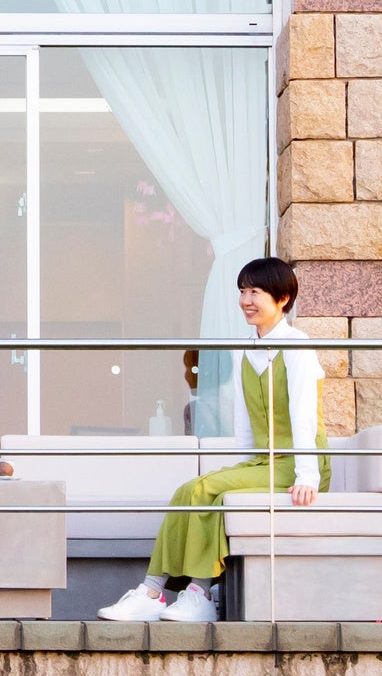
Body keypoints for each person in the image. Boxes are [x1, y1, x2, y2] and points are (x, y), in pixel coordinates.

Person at [101, 257, 321, 625]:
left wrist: (308, 477)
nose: (246, 300)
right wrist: (243, 468)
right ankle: (156, 592)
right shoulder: (245, 348)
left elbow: (304, 416)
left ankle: (196, 593)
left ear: (283, 298)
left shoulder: (297, 346)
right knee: (190, 490)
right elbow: (244, 419)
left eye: (255, 292)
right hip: (263, 463)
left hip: (294, 465)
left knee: (203, 489)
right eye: (242, 292)